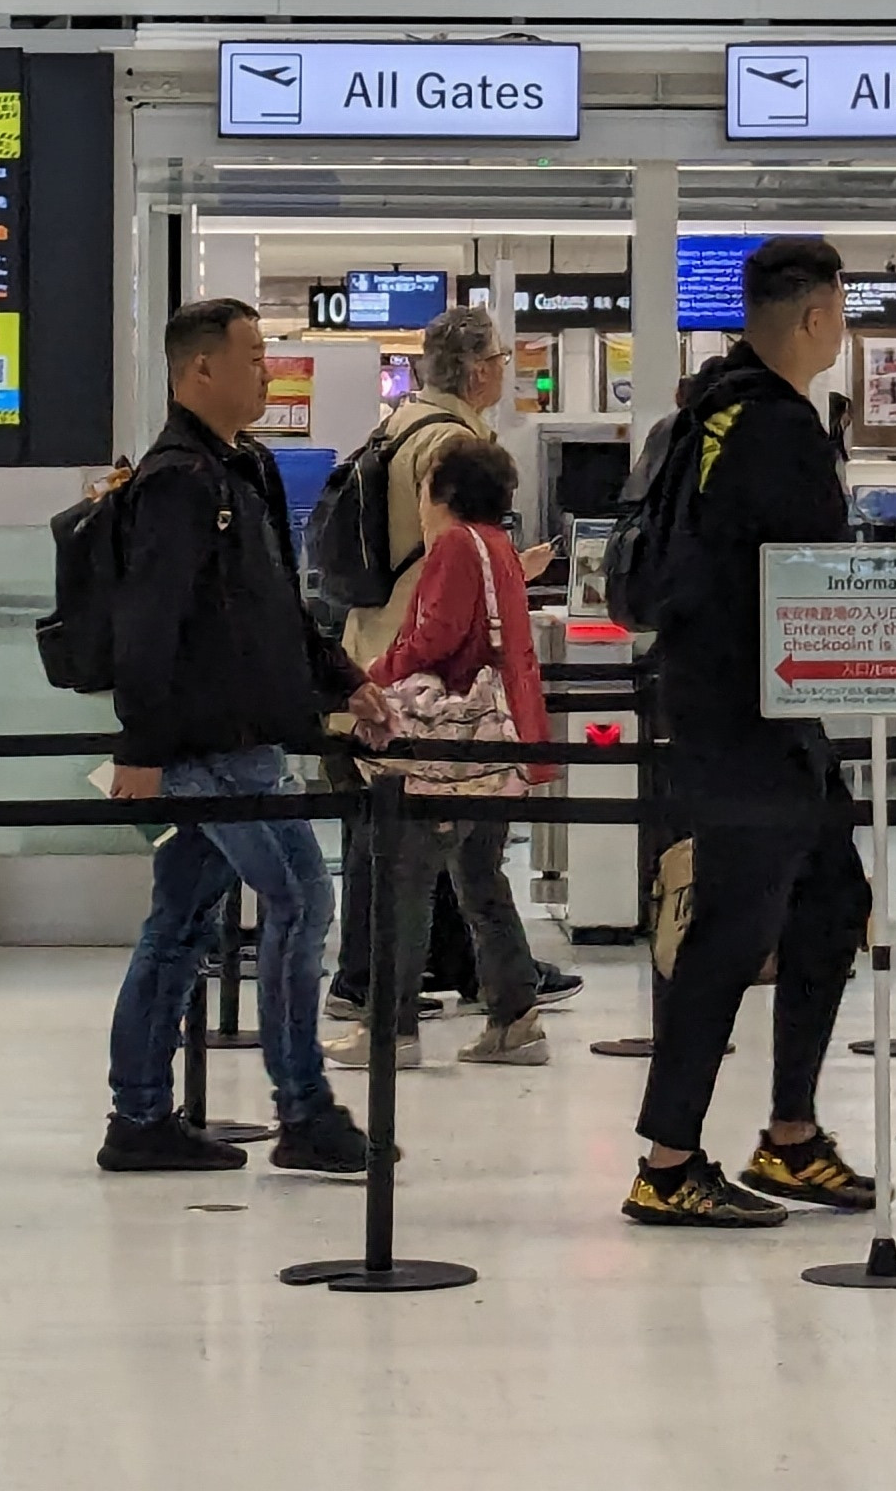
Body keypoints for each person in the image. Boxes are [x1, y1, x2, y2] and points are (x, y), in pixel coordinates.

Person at [625, 234, 896, 1230]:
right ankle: (668, 1163)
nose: (846, 325)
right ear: (815, 316)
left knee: (832, 898)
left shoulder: (708, 410)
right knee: (732, 930)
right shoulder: (780, 429)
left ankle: (789, 1136)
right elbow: (828, 587)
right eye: (842, 307)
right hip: (747, 716)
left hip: (739, 706)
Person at [95, 298, 387, 1178]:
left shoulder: (243, 468)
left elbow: (277, 608)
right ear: (200, 372)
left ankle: (140, 1116)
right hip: (209, 744)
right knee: (302, 898)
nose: (269, 369)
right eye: (255, 356)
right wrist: (141, 751)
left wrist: (348, 682)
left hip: (245, 735)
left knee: (180, 922)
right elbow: (147, 625)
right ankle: (302, 1107)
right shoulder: (178, 480)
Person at [352, 433, 556, 1068]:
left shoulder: (454, 548)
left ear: (441, 491)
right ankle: (515, 1018)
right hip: (501, 741)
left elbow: (435, 637)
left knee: (408, 879)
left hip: (450, 744)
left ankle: (393, 1031)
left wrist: (372, 674)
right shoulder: (500, 549)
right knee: (481, 881)